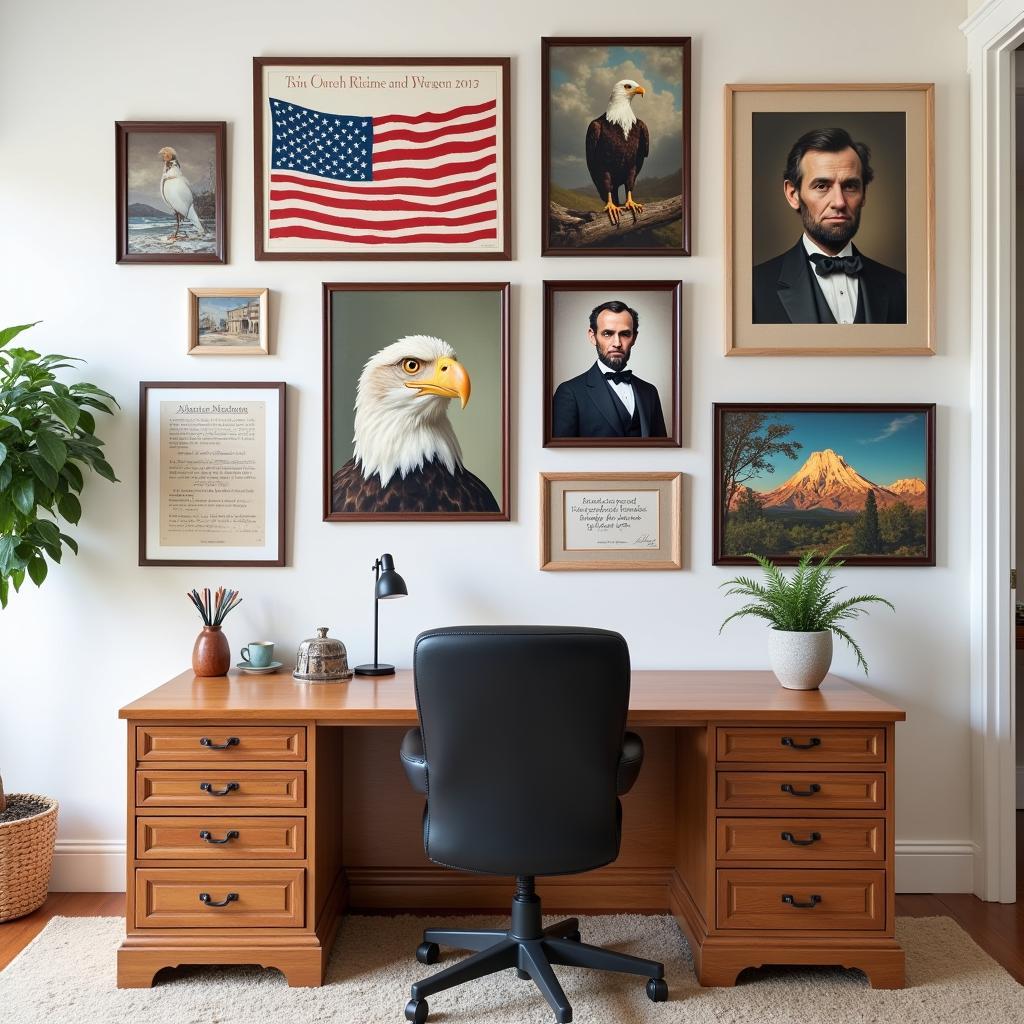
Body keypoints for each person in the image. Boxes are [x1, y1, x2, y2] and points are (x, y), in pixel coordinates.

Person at [752, 127, 907, 325]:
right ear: (793, 194)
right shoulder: (753, 287)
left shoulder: (902, 288)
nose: (839, 202)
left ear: (864, 194)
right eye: (822, 186)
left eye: (850, 186)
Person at [551, 300, 667, 439]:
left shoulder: (649, 392)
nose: (617, 343)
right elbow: (560, 457)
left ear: (634, 338)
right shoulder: (569, 392)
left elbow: (662, 450)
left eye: (625, 334)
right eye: (607, 333)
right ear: (592, 336)